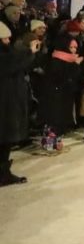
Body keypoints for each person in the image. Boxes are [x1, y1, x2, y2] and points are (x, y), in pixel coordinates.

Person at [1, 22, 37, 185]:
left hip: (9, 102)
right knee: (3, 138)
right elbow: (13, 65)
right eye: (5, 38)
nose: (8, 41)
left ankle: (3, 172)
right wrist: (30, 52)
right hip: (5, 104)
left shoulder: (8, 54)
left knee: (5, 140)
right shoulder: (5, 57)